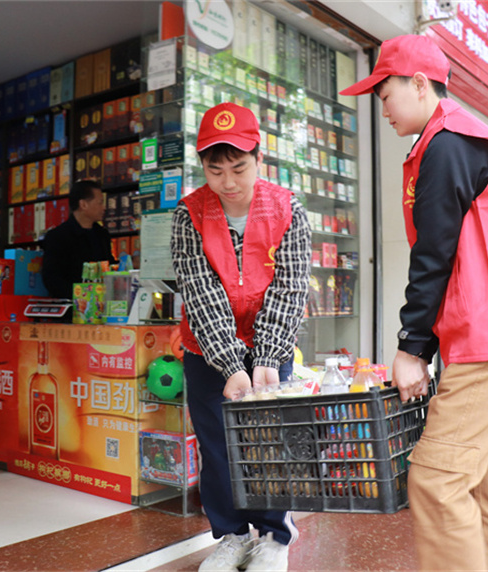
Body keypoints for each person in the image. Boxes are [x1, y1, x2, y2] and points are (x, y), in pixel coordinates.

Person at [340, 35, 488, 571]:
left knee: (438, 481)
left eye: (386, 94)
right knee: (487, 486)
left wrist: (411, 347)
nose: (384, 108)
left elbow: (433, 255)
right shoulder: (457, 140)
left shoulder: (447, 144)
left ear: (419, 84)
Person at [170, 102, 311, 572]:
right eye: (216, 170)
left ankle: (274, 536)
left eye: (239, 168)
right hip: (207, 348)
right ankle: (229, 535)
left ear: (259, 160)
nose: (228, 182)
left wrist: (267, 357)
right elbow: (200, 291)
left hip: (270, 343)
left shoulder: (290, 209)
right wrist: (231, 364)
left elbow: (289, 287)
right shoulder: (188, 213)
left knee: (271, 443)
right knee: (216, 446)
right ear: (202, 168)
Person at [41, 179, 116, 300]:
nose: (104, 207)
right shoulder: (58, 236)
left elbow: (108, 267)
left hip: (102, 305)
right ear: (83, 205)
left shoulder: (102, 234)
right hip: (73, 308)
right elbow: (52, 278)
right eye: (100, 202)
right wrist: (80, 297)